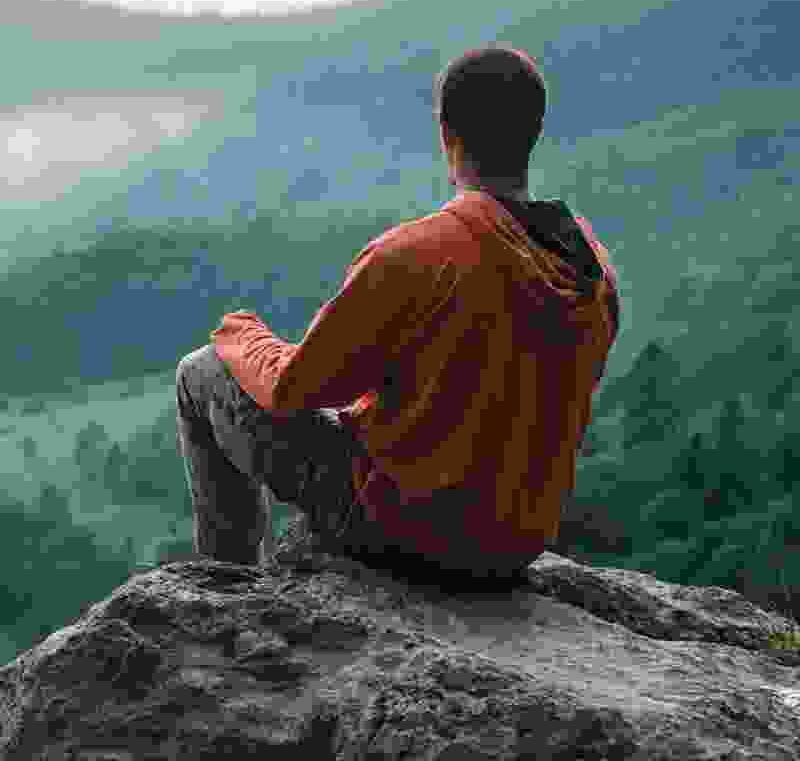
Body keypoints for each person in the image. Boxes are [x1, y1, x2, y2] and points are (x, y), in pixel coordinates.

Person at [175, 42, 621, 590]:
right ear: (535, 132)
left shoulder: (419, 254)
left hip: (403, 533)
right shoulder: (593, 270)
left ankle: (226, 592)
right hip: (513, 544)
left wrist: (245, 338)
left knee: (200, 374)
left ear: (446, 135)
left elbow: (297, 389)